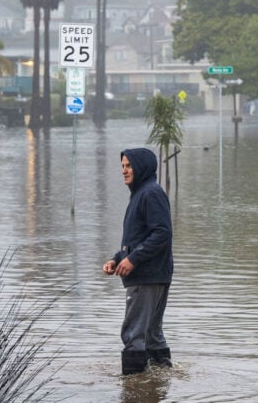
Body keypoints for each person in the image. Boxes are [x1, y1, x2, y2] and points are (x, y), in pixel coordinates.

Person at [103, 148, 173, 375]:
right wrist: (117, 259)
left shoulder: (150, 193)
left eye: (129, 166)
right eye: (122, 166)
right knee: (152, 334)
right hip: (153, 273)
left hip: (146, 276)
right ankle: (160, 382)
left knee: (134, 334)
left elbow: (162, 233)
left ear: (141, 167)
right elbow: (139, 237)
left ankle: (134, 390)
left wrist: (133, 260)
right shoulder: (141, 193)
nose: (124, 170)